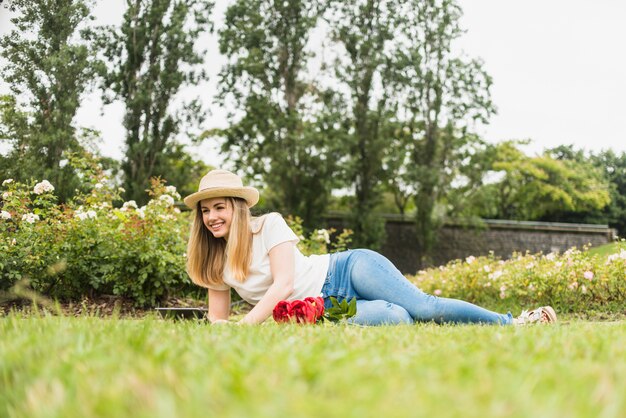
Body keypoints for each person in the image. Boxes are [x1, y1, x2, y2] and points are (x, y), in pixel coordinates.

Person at [184, 169, 557, 326]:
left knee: (424, 306)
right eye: (205, 211)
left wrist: (247, 325)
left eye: (219, 208)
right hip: (320, 308)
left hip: (346, 269)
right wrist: (222, 330)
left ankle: (514, 323)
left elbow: (283, 284)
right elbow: (218, 318)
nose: (212, 217)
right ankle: (417, 320)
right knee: (398, 319)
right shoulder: (215, 260)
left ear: (236, 207)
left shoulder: (268, 225)